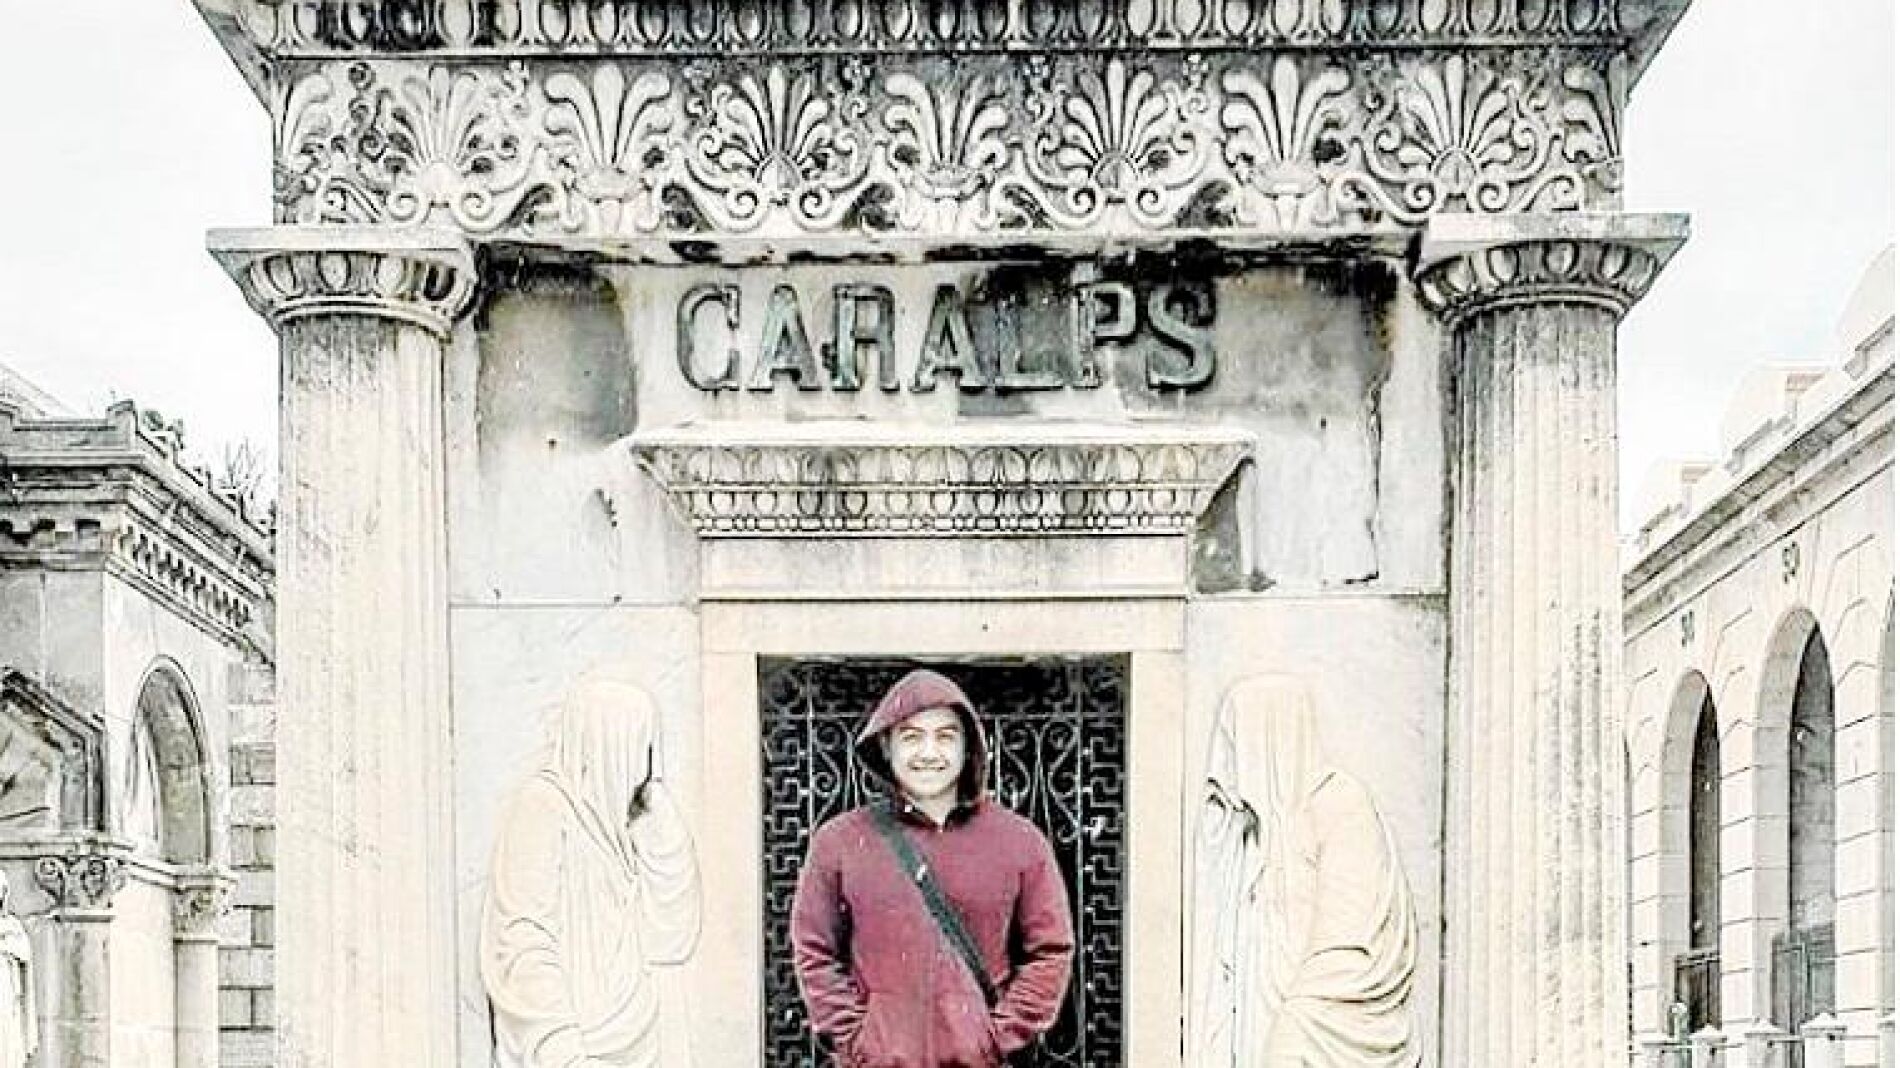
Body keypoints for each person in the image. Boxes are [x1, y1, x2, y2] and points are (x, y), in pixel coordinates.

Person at [791, 668, 1075, 1068]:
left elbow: (1051, 951)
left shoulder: (1020, 841)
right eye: (911, 737)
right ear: (886, 745)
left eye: (945, 736)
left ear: (967, 746)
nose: (929, 753)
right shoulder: (839, 841)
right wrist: (856, 1039)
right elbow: (813, 950)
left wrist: (996, 1038)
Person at [1188, 675, 1419, 1068]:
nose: (1227, 768)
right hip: (1266, 1024)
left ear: (1270, 740)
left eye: (1236, 746)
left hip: (1316, 1029)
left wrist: (1291, 1036)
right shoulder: (1257, 837)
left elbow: (1349, 944)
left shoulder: (1341, 804)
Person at [480, 678, 701, 1068]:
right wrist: (561, 1050)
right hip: (569, 1052)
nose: (648, 769)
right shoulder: (542, 811)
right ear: (609, 749)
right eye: (640, 749)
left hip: (638, 1040)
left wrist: (665, 831)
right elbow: (522, 942)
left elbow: (671, 939)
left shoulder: (626, 828)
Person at [0, 872, 33, 1068]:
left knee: (5, 1027)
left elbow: (23, 952)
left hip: (5, 985)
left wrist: (6, 945)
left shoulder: (12, 925)